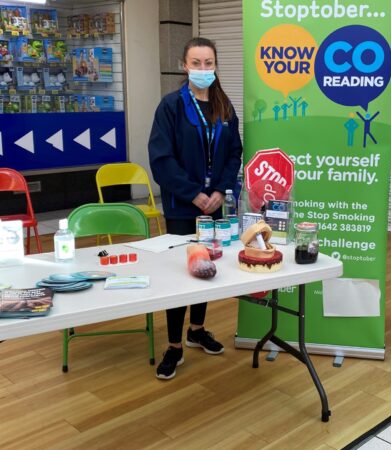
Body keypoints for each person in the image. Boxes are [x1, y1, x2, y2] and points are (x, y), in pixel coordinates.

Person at [148, 37, 243, 380]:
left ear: (216, 66)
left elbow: (235, 153)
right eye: (196, 63)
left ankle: (197, 330)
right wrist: (193, 193)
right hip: (182, 206)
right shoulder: (171, 106)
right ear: (184, 65)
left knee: (206, 268)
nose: (203, 69)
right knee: (179, 274)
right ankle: (174, 345)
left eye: (209, 63)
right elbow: (161, 159)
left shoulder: (224, 106)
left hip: (214, 205)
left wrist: (220, 189)